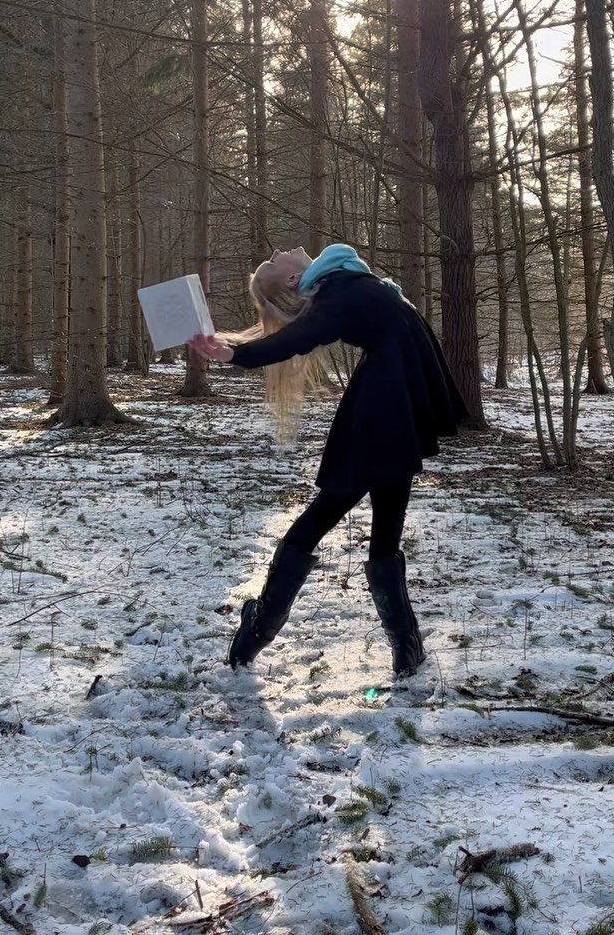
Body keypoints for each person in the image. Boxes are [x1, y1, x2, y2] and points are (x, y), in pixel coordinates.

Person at [190, 243, 467, 677]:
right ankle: (258, 630)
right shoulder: (336, 293)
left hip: (392, 408)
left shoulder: (345, 282)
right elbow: (295, 339)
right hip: (380, 413)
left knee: (381, 528)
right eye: (273, 259)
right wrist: (233, 354)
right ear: (290, 280)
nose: (281, 249)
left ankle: (404, 649)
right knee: (326, 515)